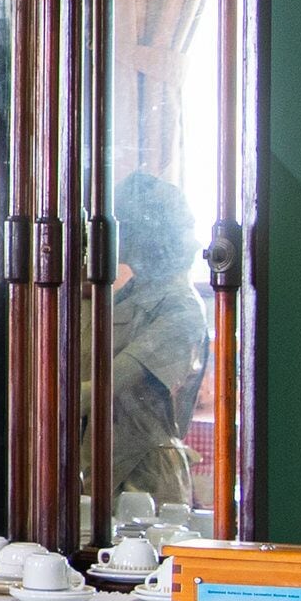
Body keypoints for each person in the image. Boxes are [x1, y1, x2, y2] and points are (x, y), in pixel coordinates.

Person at [107, 171, 209, 513]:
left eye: (120, 220)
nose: (111, 230)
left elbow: (106, 385)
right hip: (109, 464)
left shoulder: (180, 306)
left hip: (143, 480)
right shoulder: (131, 294)